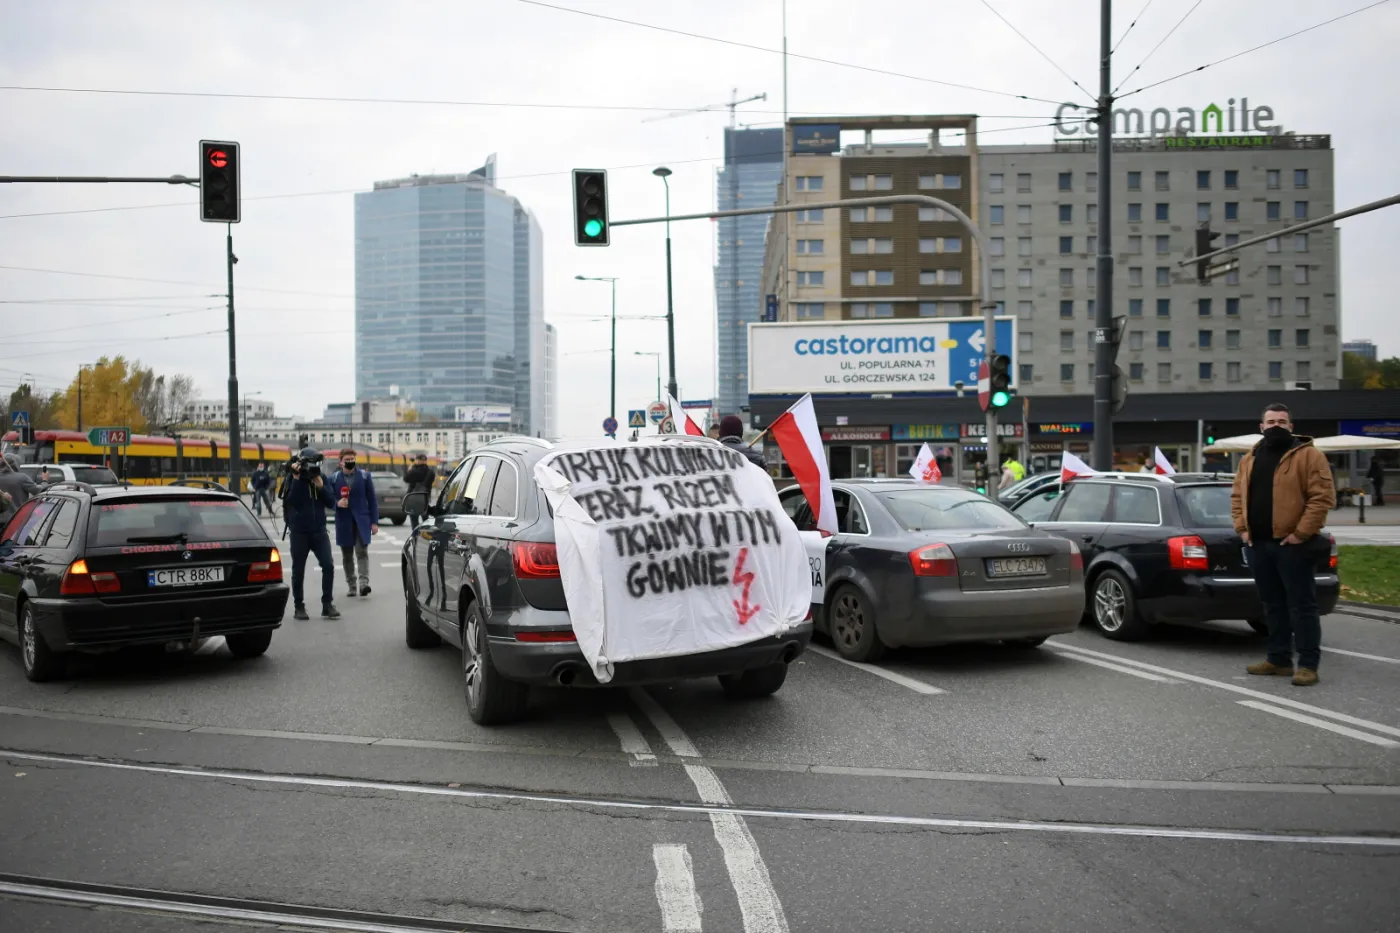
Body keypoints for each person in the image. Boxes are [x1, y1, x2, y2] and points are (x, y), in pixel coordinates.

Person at [1230, 403, 1335, 687]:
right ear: (1261, 427)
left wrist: (1301, 534)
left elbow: (1321, 498)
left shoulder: (1309, 456)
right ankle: (1278, 660)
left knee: (1302, 607)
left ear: (1291, 426)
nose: (1276, 425)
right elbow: (1237, 497)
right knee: (1272, 605)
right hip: (1259, 545)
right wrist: (1242, 529)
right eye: (1271, 421)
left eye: (1282, 421)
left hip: (1293, 546)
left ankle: (1308, 665)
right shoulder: (1250, 458)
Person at [281, 450, 341, 620]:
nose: (311, 467)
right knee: (298, 570)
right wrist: (298, 480)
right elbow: (293, 501)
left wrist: (321, 487)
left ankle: (327, 604)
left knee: (328, 565)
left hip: (319, 530)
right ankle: (298, 606)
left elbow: (331, 502)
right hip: (299, 532)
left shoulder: (320, 476)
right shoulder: (293, 477)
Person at [328, 448, 378, 598]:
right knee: (347, 555)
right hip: (344, 521)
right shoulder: (334, 479)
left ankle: (364, 584)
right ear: (341, 462)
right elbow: (328, 498)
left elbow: (372, 500)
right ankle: (351, 585)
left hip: (362, 520)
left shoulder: (364, 477)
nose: (350, 462)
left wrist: (374, 522)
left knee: (362, 552)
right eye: (347, 460)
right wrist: (337, 503)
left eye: (352, 459)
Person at [403, 453, 436, 530]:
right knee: (425, 520)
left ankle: (416, 536)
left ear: (417, 460)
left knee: (414, 521)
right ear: (425, 461)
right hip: (425, 499)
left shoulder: (413, 471)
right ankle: (426, 535)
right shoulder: (431, 472)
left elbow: (405, 479)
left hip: (413, 499)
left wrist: (411, 468)